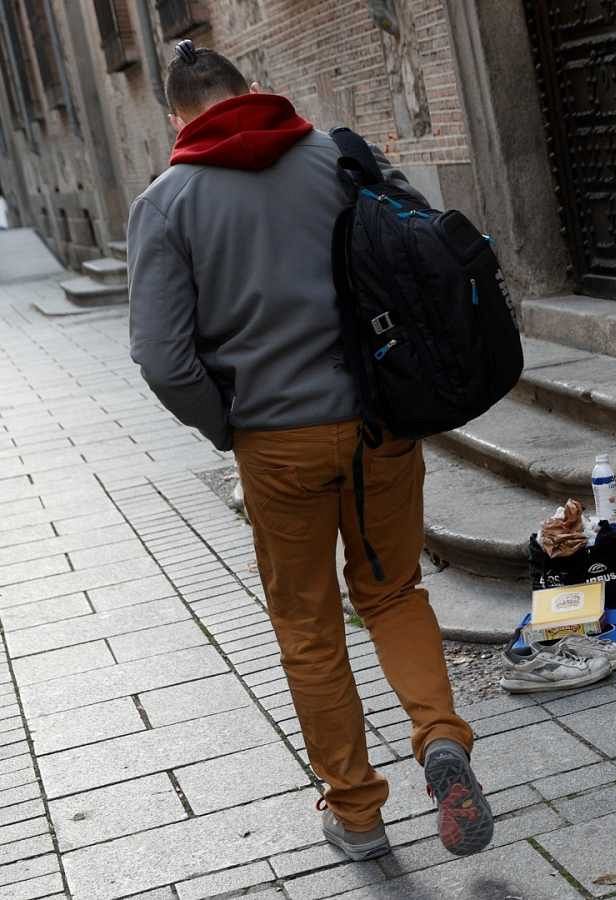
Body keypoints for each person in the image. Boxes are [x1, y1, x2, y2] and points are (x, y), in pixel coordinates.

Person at [126, 40, 492, 860]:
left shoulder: (167, 201)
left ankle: (358, 812)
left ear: (176, 114)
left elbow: (160, 356)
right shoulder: (338, 156)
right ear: (252, 89)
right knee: (393, 592)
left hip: (277, 442)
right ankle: (441, 737)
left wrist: (229, 425)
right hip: (381, 425)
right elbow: (424, 247)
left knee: (308, 624)